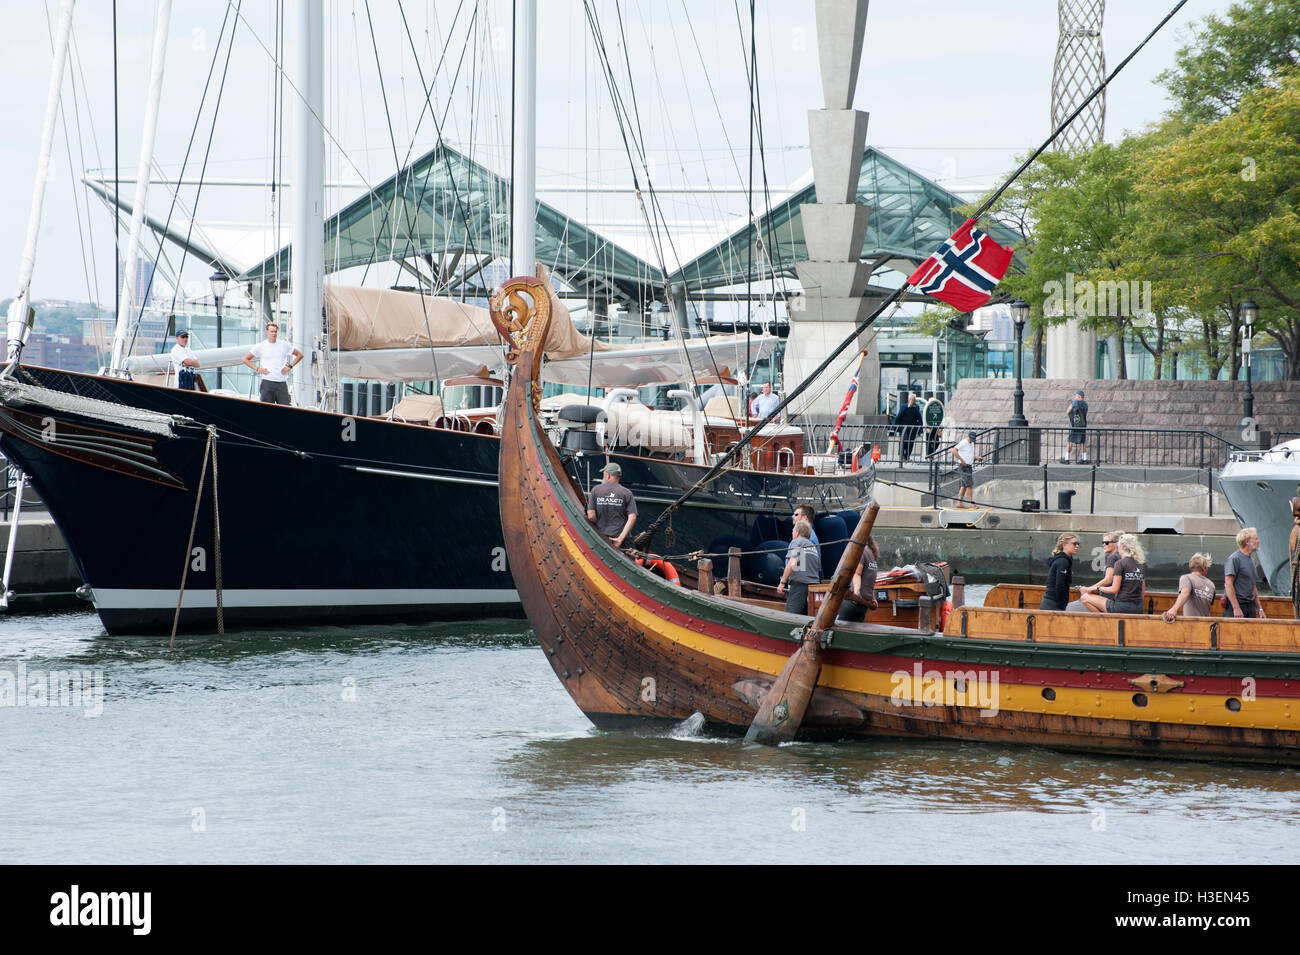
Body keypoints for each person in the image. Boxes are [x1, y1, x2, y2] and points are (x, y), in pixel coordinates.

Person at [1080, 533, 1145, 614]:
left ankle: (1105, 621)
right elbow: (1142, 591)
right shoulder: (1140, 564)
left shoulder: (1120, 563)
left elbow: (1114, 589)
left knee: (1085, 598)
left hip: (1122, 606)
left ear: (1122, 547)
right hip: (1139, 607)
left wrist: (1096, 588)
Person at [242, 321, 304, 405]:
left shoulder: (284, 345)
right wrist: (258, 369)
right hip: (267, 381)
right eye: (271, 331)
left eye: (275, 331)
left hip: (281, 382)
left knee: (286, 408)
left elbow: (299, 355)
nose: (274, 334)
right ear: (267, 332)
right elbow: (245, 359)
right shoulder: (261, 346)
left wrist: (289, 367)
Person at [587, 462, 637, 547]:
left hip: (600, 537)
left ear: (608, 475)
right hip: (619, 541)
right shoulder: (627, 492)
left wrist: (598, 522)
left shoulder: (596, 490)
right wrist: (620, 539)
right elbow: (632, 517)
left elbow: (591, 516)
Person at [777, 519, 822, 614]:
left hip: (800, 585)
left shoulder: (797, 542)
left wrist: (782, 582)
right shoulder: (813, 547)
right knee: (807, 616)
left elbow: (792, 563)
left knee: (792, 615)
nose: (792, 533)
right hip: (814, 586)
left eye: (793, 531)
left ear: (797, 533)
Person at [1224, 527, 1266, 619]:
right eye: (1255, 538)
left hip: (1249, 606)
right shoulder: (1234, 559)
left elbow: (1252, 586)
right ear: (1247, 541)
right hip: (1237, 606)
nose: (1258, 541)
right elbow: (1228, 584)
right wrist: (1236, 608)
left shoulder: (1252, 560)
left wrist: (1260, 609)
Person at [1078, 529, 1124, 612]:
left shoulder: (1112, 557)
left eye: (1106, 542)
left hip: (1111, 599)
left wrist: (1091, 588)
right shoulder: (1123, 557)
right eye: (1102, 542)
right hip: (1120, 599)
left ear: (1116, 543)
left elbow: (1108, 579)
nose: (1103, 545)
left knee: (1084, 598)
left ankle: (1104, 620)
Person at [838, 534, 880, 623]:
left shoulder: (862, 552)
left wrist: (856, 592)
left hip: (854, 603)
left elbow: (857, 574)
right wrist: (873, 597)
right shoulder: (872, 554)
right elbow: (870, 579)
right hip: (864, 604)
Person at [1163, 553, 1216, 621]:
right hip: (1205, 625)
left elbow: (1185, 593)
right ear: (1204, 568)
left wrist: (1174, 609)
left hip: (1190, 624)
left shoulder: (1186, 578)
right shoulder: (1211, 585)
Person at [1040, 533, 1080, 610]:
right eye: (1074, 544)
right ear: (1064, 545)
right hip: (1052, 605)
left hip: (1053, 603)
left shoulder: (1065, 560)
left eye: (1078, 544)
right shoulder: (1062, 561)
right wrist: (1061, 606)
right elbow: (1059, 585)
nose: (1077, 546)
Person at [952, 430, 982, 507]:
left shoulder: (971, 443)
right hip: (963, 466)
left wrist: (976, 458)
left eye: (973, 440)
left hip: (968, 465)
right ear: (967, 436)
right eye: (970, 439)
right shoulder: (964, 442)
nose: (971, 441)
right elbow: (954, 450)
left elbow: (969, 455)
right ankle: (971, 503)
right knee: (969, 485)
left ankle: (959, 502)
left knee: (964, 485)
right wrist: (962, 460)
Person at [894, 392, 923, 463]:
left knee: (911, 442)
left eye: (914, 400)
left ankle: (907, 456)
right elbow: (899, 416)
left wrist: (920, 429)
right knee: (904, 440)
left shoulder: (916, 407)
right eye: (911, 399)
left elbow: (919, 417)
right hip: (904, 427)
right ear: (909, 399)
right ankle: (902, 455)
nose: (912, 401)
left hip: (912, 428)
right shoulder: (904, 407)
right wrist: (895, 427)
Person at [1062, 389, 1089, 464]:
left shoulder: (1074, 402)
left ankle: (1067, 459)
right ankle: (1084, 459)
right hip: (1082, 425)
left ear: (1079, 396)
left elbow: (1068, 411)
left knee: (1070, 441)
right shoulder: (1085, 404)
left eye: (1076, 396)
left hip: (1074, 425)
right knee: (1082, 442)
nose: (1075, 397)